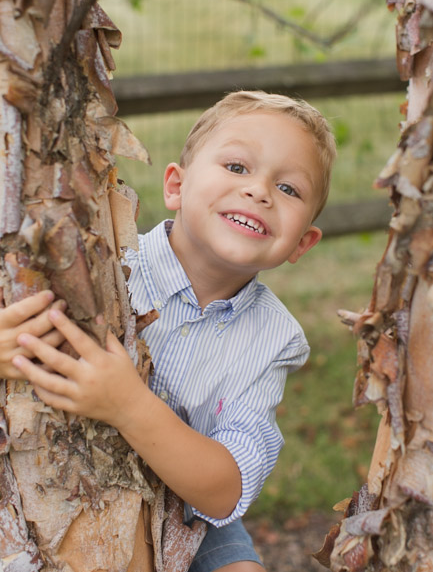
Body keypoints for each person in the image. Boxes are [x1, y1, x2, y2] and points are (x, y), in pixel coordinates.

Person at [0, 90, 336, 572]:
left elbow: (223, 492)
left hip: (181, 502)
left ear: (302, 242)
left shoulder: (274, 339)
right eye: (238, 167)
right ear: (176, 187)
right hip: (50, 481)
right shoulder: (108, 262)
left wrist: (130, 405)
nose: (260, 191)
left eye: (289, 189)